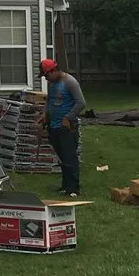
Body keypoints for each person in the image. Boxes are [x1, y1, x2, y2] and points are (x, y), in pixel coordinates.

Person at [38, 59, 86, 197]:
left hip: (67, 127)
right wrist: (45, 114)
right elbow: (50, 100)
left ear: (54, 71)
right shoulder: (52, 83)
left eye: (47, 75)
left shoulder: (70, 82)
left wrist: (68, 117)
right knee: (62, 158)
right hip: (54, 126)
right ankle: (65, 186)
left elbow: (81, 103)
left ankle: (74, 189)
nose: (46, 78)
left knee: (70, 157)